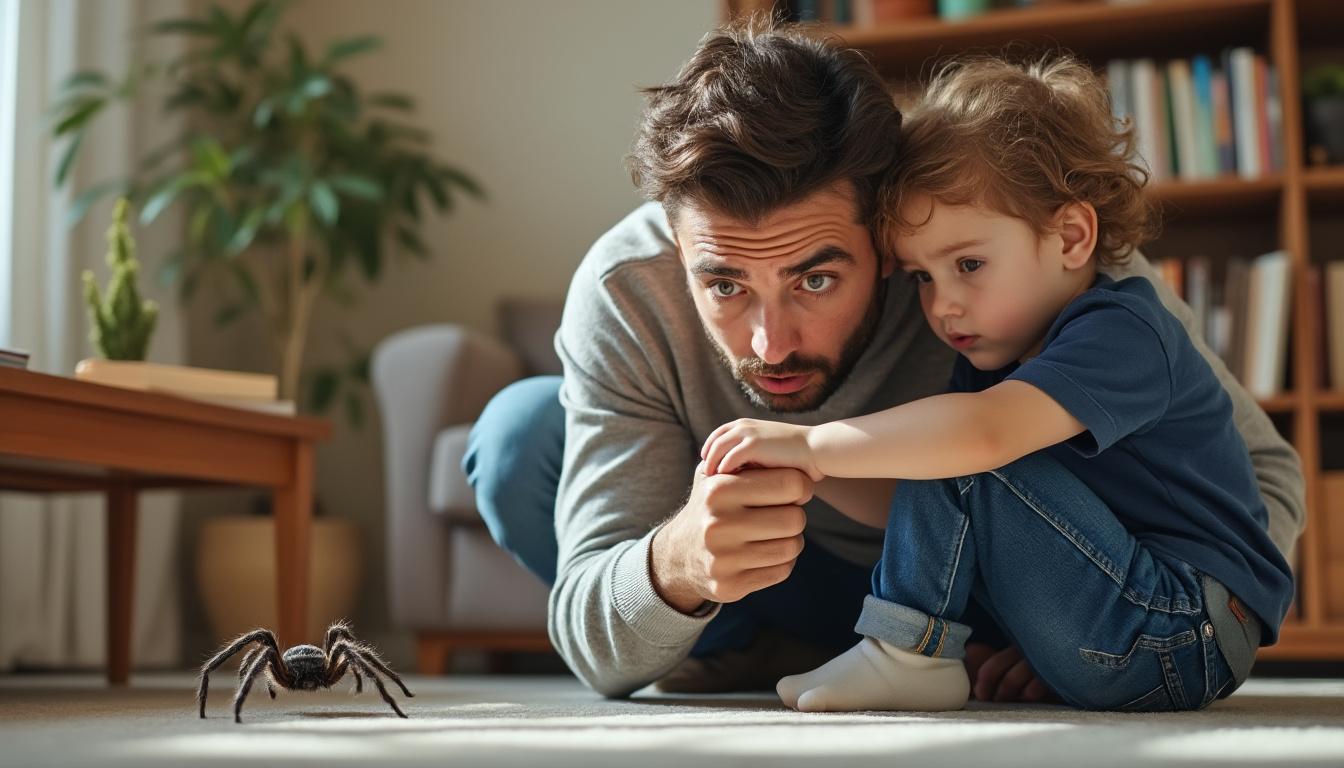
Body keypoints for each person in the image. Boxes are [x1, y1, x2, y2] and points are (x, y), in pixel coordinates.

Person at [464, 22, 1306, 700]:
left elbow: (1262, 472)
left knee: (970, 444)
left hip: (1023, 597)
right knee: (519, 433)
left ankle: (909, 650)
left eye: (816, 277)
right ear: (675, 246)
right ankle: (762, 647)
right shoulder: (629, 286)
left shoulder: (1008, 243)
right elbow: (592, 649)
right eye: (724, 284)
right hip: (785, 579)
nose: (770, 345)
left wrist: (1063, 617)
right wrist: (678, 562)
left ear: (886, 227)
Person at [699, 55, 1294, 712]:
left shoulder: (1123, 331)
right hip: (1133, 612)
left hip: (1186, 623)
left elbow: (977, 441)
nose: (942, 304)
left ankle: (906, 656)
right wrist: (805, 471)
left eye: (969, 264)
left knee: (956, 443)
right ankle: (924, 655)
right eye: (923, 277)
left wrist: (812, 444)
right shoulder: (993, 365)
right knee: (939, 448)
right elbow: (917, 501)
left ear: (1071, 236)